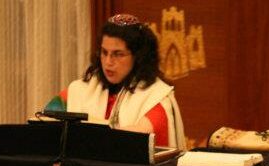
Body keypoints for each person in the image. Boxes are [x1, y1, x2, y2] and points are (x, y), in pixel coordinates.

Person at [45, 13, 185, 148]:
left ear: (138, 56)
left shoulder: (155, 96)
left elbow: (140, 138)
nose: (108, 62)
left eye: (118, 54)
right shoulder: (80, 90)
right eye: (104, 52)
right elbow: (42, 121)